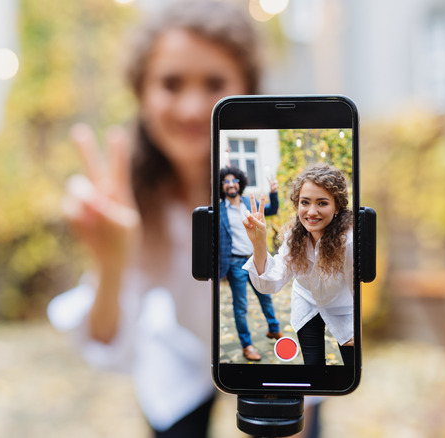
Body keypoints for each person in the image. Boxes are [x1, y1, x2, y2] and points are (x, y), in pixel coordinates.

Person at [47, 1, 262, 436]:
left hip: (264, 351)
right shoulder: (131, 193)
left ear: (246, 89)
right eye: (170, 83)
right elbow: (108, 339)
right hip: (179, 354)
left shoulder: (274, 188)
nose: (191, 108)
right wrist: (111, 264)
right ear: (141, 92)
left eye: (214, 83)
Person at [242, 165, 355, 366]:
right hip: (307, 302)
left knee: (353, 367)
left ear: (337, 206)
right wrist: (259, 242)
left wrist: (359, 326)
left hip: (344, 308)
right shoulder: (294, 237)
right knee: (313, 368)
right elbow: (270, 283)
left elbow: (360, 290)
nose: (312, 212)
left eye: (322, 203)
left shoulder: (349, 242)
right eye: (305, 202)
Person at [218, 166, 282, 361]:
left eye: (234, 180)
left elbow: (271, 210)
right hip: (235, 263)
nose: (230, 184)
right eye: (226, 181)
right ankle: (247, 345)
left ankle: (274, 329)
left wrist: (273, 192)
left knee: (266, 296)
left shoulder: (248, 203)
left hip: (255, 259)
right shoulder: (219, 210)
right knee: (240, 306)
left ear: (240, 183)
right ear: (222, 186)